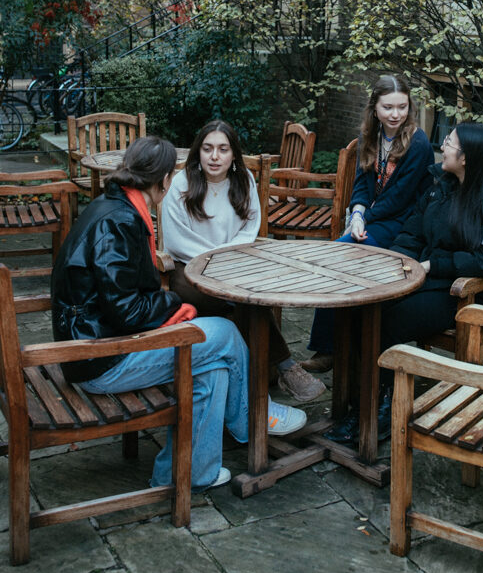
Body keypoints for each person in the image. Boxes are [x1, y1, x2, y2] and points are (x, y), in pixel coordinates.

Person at [51, 136, 306, 492]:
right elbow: (127, 311)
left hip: (98, 344)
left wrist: (170, 307)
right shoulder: (119, 222)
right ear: (165, 178)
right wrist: (175, 306)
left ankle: (187, 473)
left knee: (214, 367)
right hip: (98, 359)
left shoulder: (113, 206)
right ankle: (251, 421)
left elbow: (121, 299)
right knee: (225, 334)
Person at [324, 122, 483, 444]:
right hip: (424, 280)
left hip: (464, 294)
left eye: (448, 143)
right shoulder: (440, 187)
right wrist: (397, 264)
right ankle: (356, 403)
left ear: (466, 158)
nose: (443, 147)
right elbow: (412, 233)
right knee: (355, 305)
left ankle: (382, 408)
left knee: (385, 320)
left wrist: (435, 264)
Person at [161, 119, 326, 403]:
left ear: (233, 154)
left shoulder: (244, 179)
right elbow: (177, 240)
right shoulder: (182, 183)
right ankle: (283, 366)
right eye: (208, 149)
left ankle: (256, 378)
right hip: (187, 269)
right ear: (198, 152)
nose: (215, 157)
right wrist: (212, 259)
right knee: (243, 302)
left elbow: (250, 228)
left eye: (223, 150)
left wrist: (226, 259)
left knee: (244, 298)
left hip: (233, 266)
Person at [302, 74, 434, 372]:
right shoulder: (369, 136)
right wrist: (358, 213)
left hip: (404, 224)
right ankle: (330, 347)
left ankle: (335, 348)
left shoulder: (418, 142)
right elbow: (362, 181)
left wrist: (363, 220)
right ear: (375, 107)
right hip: (374, 218)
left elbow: (400, 199)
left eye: (402, 107)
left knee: (340, 256)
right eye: (388, 107)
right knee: (336, 259)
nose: (396, 114)